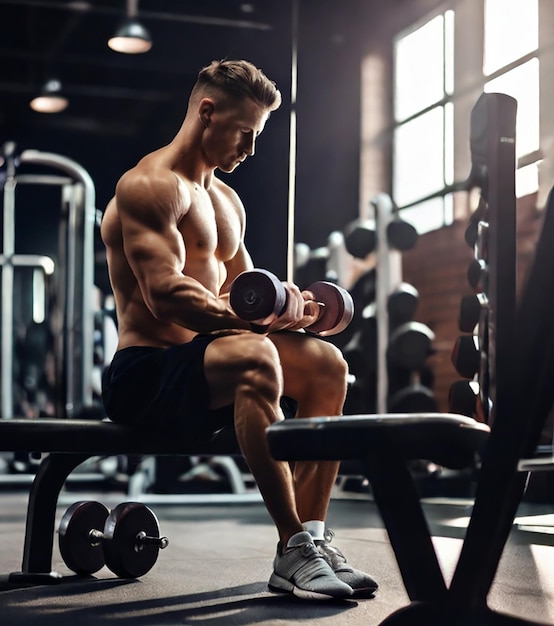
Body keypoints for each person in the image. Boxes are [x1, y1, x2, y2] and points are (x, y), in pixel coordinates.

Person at [100, 59, 378, 601]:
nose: (249, 150)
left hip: (207, 367)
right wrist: (258, 322)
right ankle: (292, 543)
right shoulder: (149, 186)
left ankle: (312, 541)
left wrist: (291, 310)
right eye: (245, 134)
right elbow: (166, 294)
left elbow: (245, 290)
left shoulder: (226, 201)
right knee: (255, 354)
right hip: (147, 376)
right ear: (208, 112)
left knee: (327, 366)